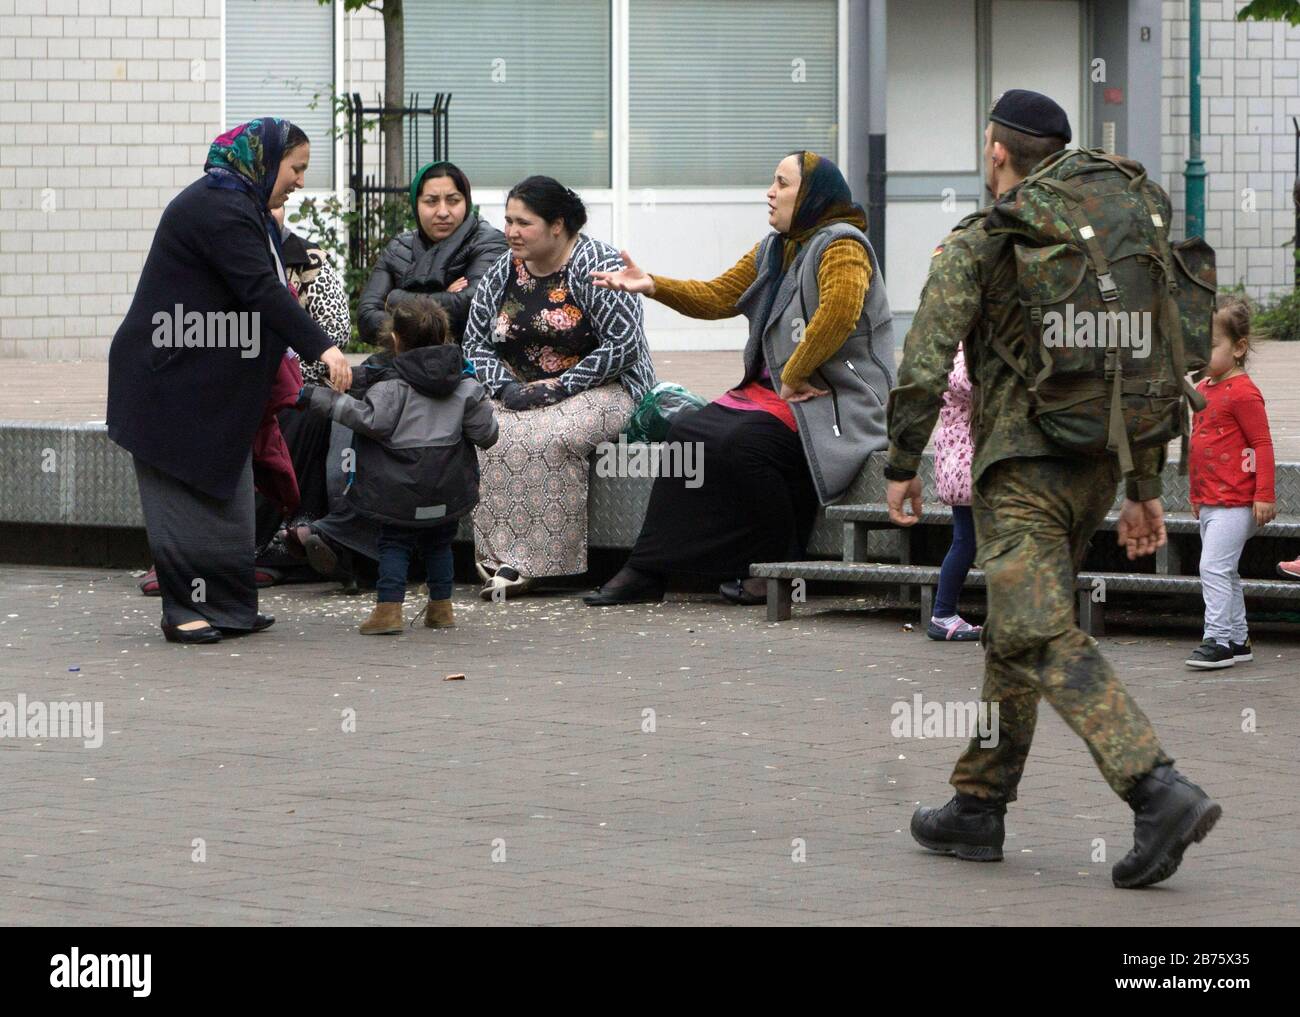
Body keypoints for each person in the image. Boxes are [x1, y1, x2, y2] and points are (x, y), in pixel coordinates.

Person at [887, 90, 1219, 888]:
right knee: (1014, 625)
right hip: (1100, 464)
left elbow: (927, 354)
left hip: (1022, 470)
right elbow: (1159, 353)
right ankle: (978, 801)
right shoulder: (1118, 229)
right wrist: (1144, 481)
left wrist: (903, 462)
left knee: (1035, 628)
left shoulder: (983, 236)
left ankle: (1153, 785)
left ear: (997, 152)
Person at [582, 150, 892, 606]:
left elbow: (840, 312)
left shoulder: (842, 245)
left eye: (782, 184)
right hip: (776, 396)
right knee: (689, 433)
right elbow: (718, 296)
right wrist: (652, 284)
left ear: (811, 195)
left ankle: (780, 564)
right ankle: (647, 569)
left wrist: (795, 371)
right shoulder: (776, 247)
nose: (770, 192)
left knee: (743, 444)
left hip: (831, 400)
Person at [107, 117, 352, 644]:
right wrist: (323, 347)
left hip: (205, 385)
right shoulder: (219, 207)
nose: (300, 181)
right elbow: (261, 291)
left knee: (227, 494)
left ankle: (231, 607)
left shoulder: (240, 202)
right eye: (297, 168)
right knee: (181, 498)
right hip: (165, 384)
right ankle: (185, 611)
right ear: (266, 161)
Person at [461, 175, 656, 599]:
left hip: (605, 388)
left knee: (551, 436)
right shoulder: (502, 270)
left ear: (557, 225)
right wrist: (505, 386)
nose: (511, 231)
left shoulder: (597, 266)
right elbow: (473, 343)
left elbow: (624, 345)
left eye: (523, 223)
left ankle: (538, 563)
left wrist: (562, 386)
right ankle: (496, 557)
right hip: (518, 390)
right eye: (508, 220)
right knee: (490, 432)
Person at [298, 296, 498, 633]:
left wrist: (321, 397)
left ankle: (388, 612)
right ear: (445, 337)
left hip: (397, 489)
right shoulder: (466, 385)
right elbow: (486, 435)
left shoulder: (391, 386)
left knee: (394, 544)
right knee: (439, 544)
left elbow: (369, 421)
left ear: (395, 340)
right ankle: (441, 609)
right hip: (449, 486)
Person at [1186, 295, 1275, 668]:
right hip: (1211, 501)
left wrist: (1265, 494)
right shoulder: (1204, 388)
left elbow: (1263, 444)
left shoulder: (1243, 392)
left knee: (1212, 568)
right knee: (1225, 569)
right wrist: (1195, 494)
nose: (1202, 355)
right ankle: (1238, 639)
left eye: (1211, 346)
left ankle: (1218, 639)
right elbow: (1199, 446)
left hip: (1237, 502)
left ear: (1238, 348)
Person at [357, 161, 507, 344]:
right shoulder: (398, 248)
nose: (443, 212)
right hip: (402, 363)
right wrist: (445, 297)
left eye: (453, 200)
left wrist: (395, 298)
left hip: (468, 363)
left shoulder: (489, 242)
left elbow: (473, 305)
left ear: (466, 202)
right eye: (431, 201)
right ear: (416, 204)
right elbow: (366, 318)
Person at [929, 341, 981, 641]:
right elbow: (963, 382)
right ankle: (943, 614)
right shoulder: (963, 350)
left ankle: (944, 612)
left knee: (968, 541)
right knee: (965, 540)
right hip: (967, 459)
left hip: (970, 458)